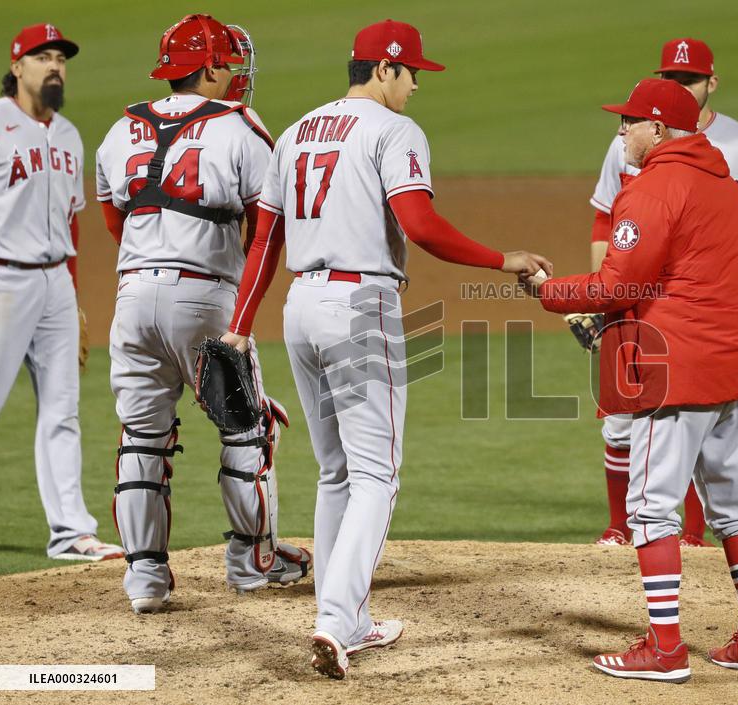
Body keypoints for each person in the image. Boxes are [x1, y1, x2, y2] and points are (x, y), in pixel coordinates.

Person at [220, 19, 551, 679]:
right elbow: (420, 225)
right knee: (377, 474)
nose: (417, 86)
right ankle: (336, 620)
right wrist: (503, 257)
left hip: (300, 309)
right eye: (412, 73)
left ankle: (351, 615)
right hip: (360, 308)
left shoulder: (295, 131)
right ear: (384, 70)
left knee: (335, 470)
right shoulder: (393, 131)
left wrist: (240, 323)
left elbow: (264, 241)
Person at [526, 78, 738, 682]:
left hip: (680, 371)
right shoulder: (722, 180)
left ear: (660, 131)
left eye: (630, 123)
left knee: (649, 510)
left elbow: (616, 284)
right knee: (737, 510)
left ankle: (665, 650)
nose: (620, 132)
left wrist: (550, 293)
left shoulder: (653, 189)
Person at [94, 13, 310, 614]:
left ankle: (145, 581)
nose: (236, 75)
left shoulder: (121, 129)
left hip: (132, 299)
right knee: (246, 427)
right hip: (206, 297)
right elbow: (267, 227)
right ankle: (251, 561)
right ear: (210, 67)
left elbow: (117, 219)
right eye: (230, 64)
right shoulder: (240, 127)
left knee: (142, 435)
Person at [586, 37, 738, 549]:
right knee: (623, 427)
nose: (677, 86)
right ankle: (621, 530)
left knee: (685, 430)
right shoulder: (629, 142)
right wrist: (605, 300)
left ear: (711, 83)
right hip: (638, 306)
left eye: (688, 79)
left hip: (691, 322)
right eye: (670, 77)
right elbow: (605, 217)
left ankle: (687, 549)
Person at [0, 23, 123, 562]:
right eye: (42, 57)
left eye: (61, 59)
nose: (55, 67)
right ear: (17, 67)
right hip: (1, 281)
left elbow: (71, 224)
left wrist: (71, 296)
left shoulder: (68, 134)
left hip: (53, 288)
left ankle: (71, 531)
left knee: (63, 409)